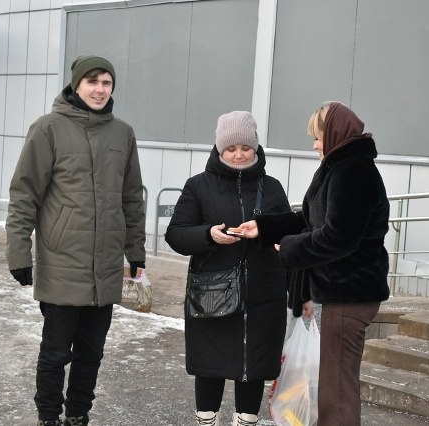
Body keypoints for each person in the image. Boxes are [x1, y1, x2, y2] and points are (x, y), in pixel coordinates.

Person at [5, 55, 146, 426]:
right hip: (62, 261)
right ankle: (48, 416)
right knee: (55, 352)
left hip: (106, 264)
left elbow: (132, 197)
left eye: (106, 83)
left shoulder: (122, 134)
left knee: (91, 352)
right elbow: (24, 195)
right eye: (92, 81)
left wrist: (136, 250)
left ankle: (78, 415)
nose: (100, 90)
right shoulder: (48, 128)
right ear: (76, 84)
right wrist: (19, 253)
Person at [239, 101, 390, 426]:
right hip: (340, 292)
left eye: (318, 137)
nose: (315, 145)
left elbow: (338, 237)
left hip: (348, 294)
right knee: (331, 387)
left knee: (336, 392)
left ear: (334, 135)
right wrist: (264, 227)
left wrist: (288, 248)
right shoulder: (340, 168)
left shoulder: (352, 172)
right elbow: (310, 221)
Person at [165, 111, 290, 426]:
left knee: (253, 366)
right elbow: (176, 234)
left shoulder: (272, 187)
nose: (239, 154)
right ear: (220, 149)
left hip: (264, 296)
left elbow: (290, 233)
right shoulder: (198, 186)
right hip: (212, 294)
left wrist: (267, 231)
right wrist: (208, 235)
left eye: (245, 147)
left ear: (255, 147)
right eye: (231, 148)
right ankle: (206, 421)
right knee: (210, 366)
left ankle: (246, 421)